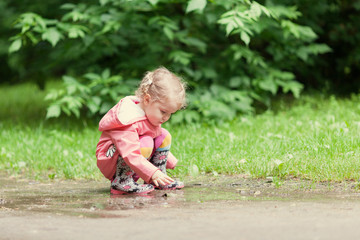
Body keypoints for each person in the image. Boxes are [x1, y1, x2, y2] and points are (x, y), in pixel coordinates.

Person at [96, 67, 186, 194]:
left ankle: (159, 180)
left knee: (164, 135)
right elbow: (130, 153)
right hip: (113, 160)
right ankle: (122, 182)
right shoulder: (128, 119)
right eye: (163, 111)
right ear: (147, 99)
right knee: (146, 141)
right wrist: (152, 172)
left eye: (170, 114)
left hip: (135, 158)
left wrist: (169, 162)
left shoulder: (150, 114)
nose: (166, 117)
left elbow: (157, 138)